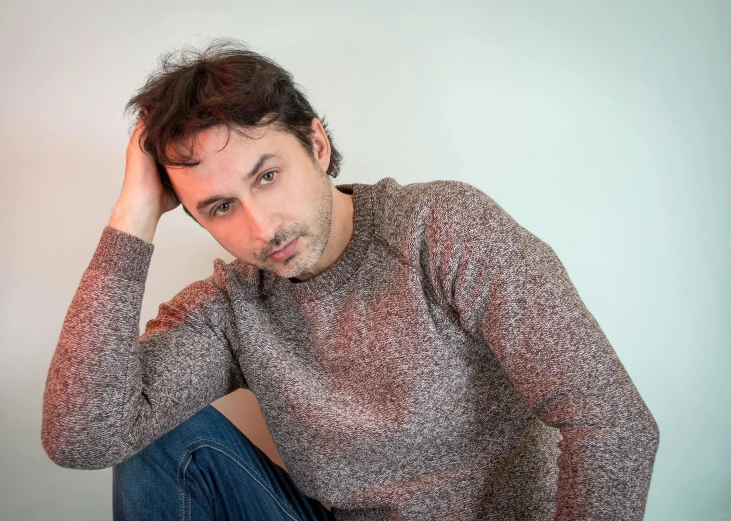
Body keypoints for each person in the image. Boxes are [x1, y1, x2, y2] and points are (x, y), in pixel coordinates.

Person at [41, 39, 660, 520]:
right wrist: (133, 216)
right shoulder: (232, 307)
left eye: (266, 176)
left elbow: (611, 420)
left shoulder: (441, 228)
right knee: (152, 438)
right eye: (220, 207)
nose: (262, 228)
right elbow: (84, 437)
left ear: (316, 143)